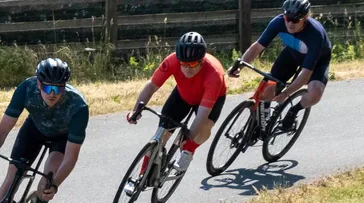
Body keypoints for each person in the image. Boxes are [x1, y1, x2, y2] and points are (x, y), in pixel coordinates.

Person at [0, 58, 88, 203]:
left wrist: (54, 185)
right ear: (38, 83)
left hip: (61, 139)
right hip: (34, 130)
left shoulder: (78, 107)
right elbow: (3, 129)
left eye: (58, 89)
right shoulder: (27, 89)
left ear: (65, 87)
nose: (52, 94)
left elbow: (70, 157)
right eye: (47, 88)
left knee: (48, 178)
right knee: (11, 179)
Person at [126, 31, 227, 179]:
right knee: (161, 135)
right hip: (183, 95)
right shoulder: (172, 60)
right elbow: (151, 86)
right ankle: (142, 177)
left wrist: (188, 142)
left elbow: (202, 115)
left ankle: (190, 150)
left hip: (211, 98)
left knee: (203, 127)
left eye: (192, 64)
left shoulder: (214, 75)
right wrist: (136, 110)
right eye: (183, 64)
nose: (187, 68)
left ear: (202, 61)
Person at [230, 0, 330, 131]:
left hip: (318, 61)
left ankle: (293, 111)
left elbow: (305, 75)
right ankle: (260, 122)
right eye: (287, 18)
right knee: (268, 88)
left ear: (305, 18)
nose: (290, 23)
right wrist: (239, 65)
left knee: (315, 93)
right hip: (292, 54)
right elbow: (257, 47)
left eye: (295, 20)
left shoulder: (316, 34)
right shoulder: (278, 22)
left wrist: (286, 93)